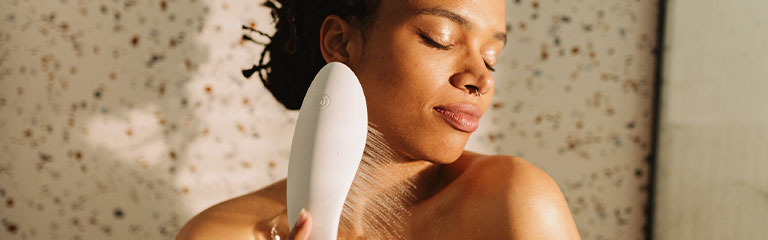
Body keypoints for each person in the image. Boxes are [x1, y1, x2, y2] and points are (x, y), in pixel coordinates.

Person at [177, 0, 580, 239]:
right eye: (440, 38)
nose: (481, 79)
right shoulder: (228, 233)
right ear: (340, 42)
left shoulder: (512, 204)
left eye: (492, 56)